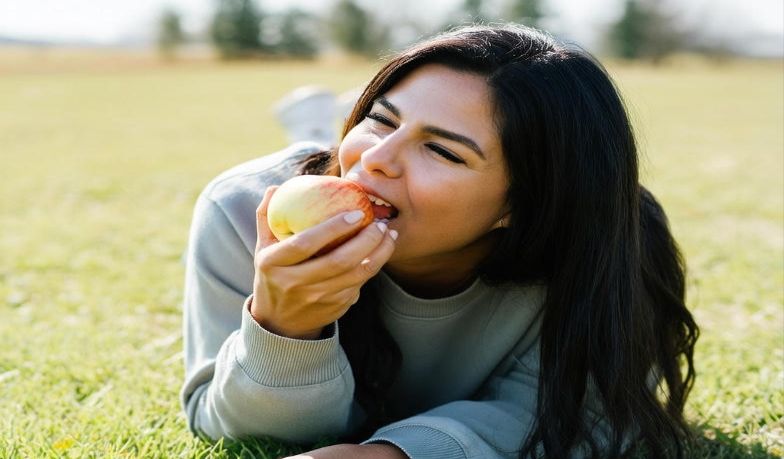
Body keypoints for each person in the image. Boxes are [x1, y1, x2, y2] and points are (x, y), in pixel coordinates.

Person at [180, 24, 699, 459]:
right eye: (380, 119)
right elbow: (232, 430)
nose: (376, 156)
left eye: (444, 152)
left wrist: (392, 454)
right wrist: (286, 327)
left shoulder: (607, 245)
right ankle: (319, 125)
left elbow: (583, 415)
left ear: (524, 204)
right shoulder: (245, 211)